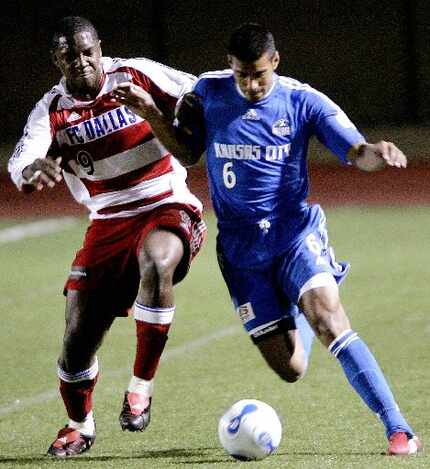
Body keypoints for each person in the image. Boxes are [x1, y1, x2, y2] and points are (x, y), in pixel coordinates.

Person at [116, 23, 422, 456]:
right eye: (243, 74)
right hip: (241, 252)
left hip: (295, 233)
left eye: (259, 73)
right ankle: (310, 298)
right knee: (292, 368)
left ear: (275, 62)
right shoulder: (207, 93)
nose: (252, 83)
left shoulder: (303, 101)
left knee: (329, 319)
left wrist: (379, 153)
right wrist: (151, 112)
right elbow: (186, 151)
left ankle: (399, 428)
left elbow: (358, 153)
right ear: (230, 66)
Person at [8, 16, 206, 458]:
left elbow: (199, 88)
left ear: (99, 47)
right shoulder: (51, 110)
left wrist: (183, 113)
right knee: (77, 337)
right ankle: (79, 425)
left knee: (157, 261)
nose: (80, 62)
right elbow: (22, 157)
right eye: (68, 55)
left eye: (86, 51)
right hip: (108, 222)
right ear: (56, 60)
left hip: (166, 203)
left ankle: (140, 387)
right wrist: (31, 169)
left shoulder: (135, 74)